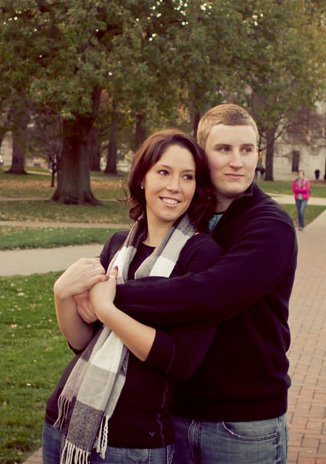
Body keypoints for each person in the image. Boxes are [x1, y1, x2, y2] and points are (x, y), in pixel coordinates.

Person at [77, 104, 296, 464]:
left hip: (242, 422)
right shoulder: (189, 218)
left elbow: (210, 294)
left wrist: (112, 296)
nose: (238, 161)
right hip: (175, 413)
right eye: (224, 149)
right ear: (201, 154)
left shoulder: (271, 226)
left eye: (248, 149)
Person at [44, 130, 223, 464]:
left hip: (135, 442)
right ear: (142, 178)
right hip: (65, 423)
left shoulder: (201, 255)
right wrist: (61, 295)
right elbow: (83, 342)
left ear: (197, 187)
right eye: (164, 172)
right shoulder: (117, 246)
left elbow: (182, 361)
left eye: (187, 177)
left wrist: (106, 309)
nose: (175, 186)